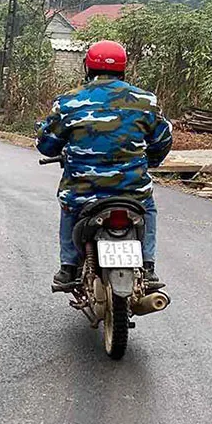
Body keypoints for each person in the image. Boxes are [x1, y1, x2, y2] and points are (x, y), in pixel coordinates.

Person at [36, 40, 173, 289]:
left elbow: (47, 146)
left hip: (82, 192)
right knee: (148, 206)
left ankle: (68, 267)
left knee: (68, 206)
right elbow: (162, 140)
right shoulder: (146, 101)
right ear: (124, 68)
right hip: (132, 192)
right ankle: (148, 265)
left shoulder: (68, 103)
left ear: (87, 67)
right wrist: (151, 160)